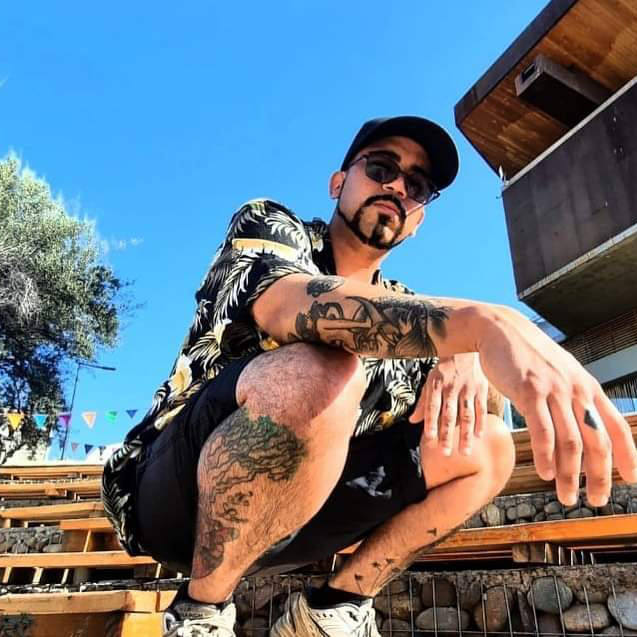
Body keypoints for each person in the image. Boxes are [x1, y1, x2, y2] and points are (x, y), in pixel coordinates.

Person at [102, 115, 637, 637]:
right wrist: (479, 326)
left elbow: (471, 410)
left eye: (417, 186)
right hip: (175, 495)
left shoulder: (414, 309)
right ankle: (201, 612)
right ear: (339, 183)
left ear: (419, 218)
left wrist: (464, 357)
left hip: (292, 520)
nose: (398, 187)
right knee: (322, 371)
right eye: (381, 168)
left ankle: (336, 608)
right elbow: (289, 305)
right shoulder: (272, 228)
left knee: (488, 444)